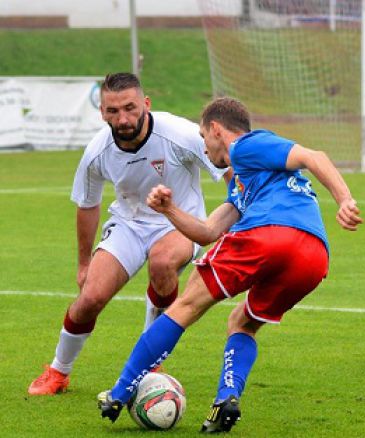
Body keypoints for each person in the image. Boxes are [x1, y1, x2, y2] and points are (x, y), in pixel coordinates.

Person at [97, 97, 363, 432]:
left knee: (186, 305)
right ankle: (227, 398)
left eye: (203, 137)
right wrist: (169, 210)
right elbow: (208, 232)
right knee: (243, 322)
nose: (204, 149)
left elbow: (314, 157)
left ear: (216, 130)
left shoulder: (246, 146)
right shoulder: (246, 183)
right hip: (312, 256)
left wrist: (345, 199)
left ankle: (119, 392)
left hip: (270, 233)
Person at [28, 73, 230, 395]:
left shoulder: (179, 134)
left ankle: (152, 358)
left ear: (146, 105)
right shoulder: (98, 151)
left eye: (130, 108)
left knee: (163, 262)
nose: (122, 119)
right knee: (90, 299)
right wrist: (83, 264)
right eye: (113, 111)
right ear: (102, 113)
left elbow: (228, 166)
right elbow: (88, 204)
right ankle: (58, 372)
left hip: (179, 221)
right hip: (128, 223)